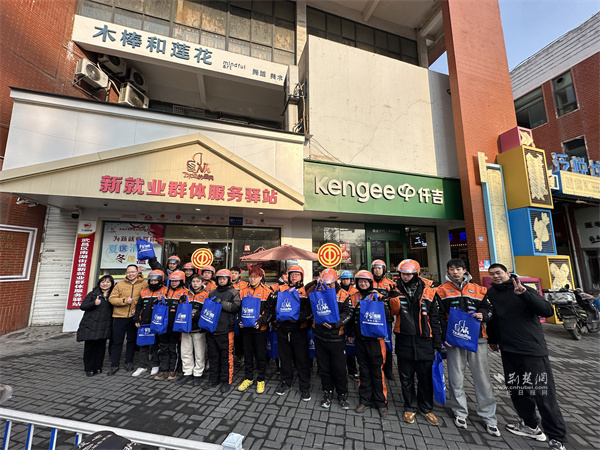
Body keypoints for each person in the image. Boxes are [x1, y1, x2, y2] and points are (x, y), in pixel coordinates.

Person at [486, 263, 567, 450]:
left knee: (543, 393)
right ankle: (530, 425)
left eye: (498, 273)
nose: (496, 276)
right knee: (517, 389)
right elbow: (494, 319)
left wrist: (524, 294)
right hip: (508, 350)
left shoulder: (523, 289)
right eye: (492, 274)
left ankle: (556, 437)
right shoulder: (492, 294)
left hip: (532, 350)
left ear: (507, 273)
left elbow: (547, 311)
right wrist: (493, 339)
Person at [436, 259, 500, 436]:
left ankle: (489, 416)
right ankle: (459, 412)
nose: (455, 272)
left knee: (482, 378)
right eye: (452, 269)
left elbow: (489, 309)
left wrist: (483, 315)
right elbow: (439, 316)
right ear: (448, 271)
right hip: (454, 340)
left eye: (458, 269)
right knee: (456, 377)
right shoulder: (441, 290)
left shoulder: (479, 289)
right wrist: (445, 336)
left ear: (464, 270)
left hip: (477, 339)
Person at [389, 259, 442, 426]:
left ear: (416, 274)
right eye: (402, 274)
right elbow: (393, 312)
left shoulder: (429, 290)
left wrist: (437, 342)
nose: (405, 277)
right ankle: (410, 406)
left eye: (408, 274)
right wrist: (392, 299)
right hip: (404, 337)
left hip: (424, 338)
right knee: (406, 376)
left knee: (425, 376)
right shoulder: (395, 289)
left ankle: (426, 408)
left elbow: (435, 317)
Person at [308, 268, 353, 410]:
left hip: (336, 338)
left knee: (339, 369)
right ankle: (327, 392)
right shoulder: (317, 291)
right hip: (320, 337)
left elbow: (349, 312)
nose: (328, 286)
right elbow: (306, 291)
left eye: (330, 284)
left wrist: (336, 324)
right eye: (325, 284)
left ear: (336, 281)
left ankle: (342, 394)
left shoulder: (344, 295)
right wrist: (316, 282)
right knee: (324, 368)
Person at [350, 270, 390, 417]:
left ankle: (381, 402)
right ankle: (365, 400)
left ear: (370, 283)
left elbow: (388, 316)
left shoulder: (378, 296)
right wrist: (350, 334)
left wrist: (381, 300)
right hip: (360, 340)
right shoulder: (353, 297)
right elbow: (350, 316)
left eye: (365, 281)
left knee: (377, 371)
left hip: (376, 341)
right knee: (364, 370)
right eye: (360, 281)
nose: (362, 284)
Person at [274, 265, 312, 401]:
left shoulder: (305, 291)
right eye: (292, 274)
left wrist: (299, 319)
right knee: (284, 359)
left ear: (302, 276)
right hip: (283, 330)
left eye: (297, 274)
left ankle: (305, 387)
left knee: (302, 360)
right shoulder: (281, 289)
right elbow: (273, 306)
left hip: (299, 330)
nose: (294, 276)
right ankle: (286, 382)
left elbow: (310, 310)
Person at [236, 265, 275, 394]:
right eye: (251, 277)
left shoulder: (267, 291)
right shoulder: (243, 291)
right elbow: (239, 310)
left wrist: (260, 322)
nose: (253, 279)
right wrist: (239, 321)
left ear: (260, 277)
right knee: (247, 355)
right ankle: (248, 378)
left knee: (260, 355)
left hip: (260, 329)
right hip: (246, 330)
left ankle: (261, 379)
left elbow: (269, 311)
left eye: (255, 277)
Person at [202, 269, 241, 393]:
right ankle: (213, 379)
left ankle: (226, 381)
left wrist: (222, 303)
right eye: (219, 278)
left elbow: (236, 307)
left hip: (226, 330)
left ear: (228, 279)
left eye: (224, 278)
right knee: (213, 356)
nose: (222, 280)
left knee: (226, 357)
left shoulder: (233, 292)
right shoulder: (212, 292)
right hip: (212, 330)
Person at [108, 264, 148, 375]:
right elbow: (112, 299)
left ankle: (128, 362)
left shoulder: (144, 284)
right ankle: (114, 364)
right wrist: (125, 301)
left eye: (133, 272)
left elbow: (146, 299)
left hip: (133, 317)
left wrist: (138, 310)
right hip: (119, 316)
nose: (131, 274)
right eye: (129, 272)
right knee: (117, 341)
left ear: (137, 272)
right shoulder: (120, 284)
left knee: (131, 341)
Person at [77, 275, 115, 377]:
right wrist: (94, 303)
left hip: (105, 325)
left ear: (111, 284)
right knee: (90, 347)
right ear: (99, 283)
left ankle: (98, 366)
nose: (105, 284)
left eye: (108, 282)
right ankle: (89, 368)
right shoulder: (93, 294)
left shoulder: (113, 295)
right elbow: (83, 306)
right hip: (91, 325)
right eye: (103, 282)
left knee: (101, 348)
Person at [154, 270, 188, 381]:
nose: (174, 283)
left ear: (181, 281)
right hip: (163, 325)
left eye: (176, 281)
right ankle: (163, 368)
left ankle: (173, 370)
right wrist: (157, 300)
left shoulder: (185, 292)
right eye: (172, 281)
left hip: (176, 325)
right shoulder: (164, 291)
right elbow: (156, 305)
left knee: (174, 348)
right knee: (163, 347)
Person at [132, 270, 167, 377]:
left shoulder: (165, 290)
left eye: (155, 280)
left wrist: (162, 299)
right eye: (151, 280)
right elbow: (139, 306)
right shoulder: (144, 291)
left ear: (160, 281)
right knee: (143, 344)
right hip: (144, 322)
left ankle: (155, 365)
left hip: (157, 322)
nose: (153, 282)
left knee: (156, 345)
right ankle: (142, 366)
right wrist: (136, 319)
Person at [178, 273, 208, 386]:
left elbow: (208, 311)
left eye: (198, 281)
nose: (195, 284)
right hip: (186, 328)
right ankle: (187, 372)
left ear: (202, 282)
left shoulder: (206, 294)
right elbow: (180, 308)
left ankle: (198, 373)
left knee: (199, 352)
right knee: (185, 351)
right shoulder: (186, 294)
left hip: (199, 329)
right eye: (193, 281)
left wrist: (196, 315)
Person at [371, 259, 396, 382]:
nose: (377, 270)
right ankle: (375, 367)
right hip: (372, 318)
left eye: (379, 268)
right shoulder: (368, 282)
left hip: (386, 318)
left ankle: (388, 369)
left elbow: (394, 300)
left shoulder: (390, 283)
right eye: (375, 268)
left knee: (387, 344)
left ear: (384, 269)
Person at [339, 270, 360, 382]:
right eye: (343, 279)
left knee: (351, 348)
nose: (345, 281)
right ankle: (342, 370)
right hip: (341, 322)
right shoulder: (337, 290)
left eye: (347, 279)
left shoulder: (356, 292)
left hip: (352, 323)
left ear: (351, 280)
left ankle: (352, 370)